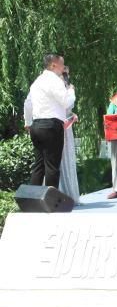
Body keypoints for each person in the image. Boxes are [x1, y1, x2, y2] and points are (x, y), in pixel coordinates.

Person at [23, 53, 75, 189]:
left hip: (36, 126)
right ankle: (51, 199)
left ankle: (33, 198)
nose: (63, 68)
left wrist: (27, 122)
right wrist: (71, 91)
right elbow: (66, 102)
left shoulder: (37, 82)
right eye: (62, 65)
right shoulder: (55, 80)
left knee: (39, 165)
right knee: (52, 166)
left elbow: (27, 103)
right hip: (51, 126)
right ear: (53, 65)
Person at [57, 66, 80, 204]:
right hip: (59, 125)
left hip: (67, 127)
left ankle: (69, 193)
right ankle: (59, 193)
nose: (65, 76)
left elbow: (68, 108)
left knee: (67, 159)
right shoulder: (59, 88)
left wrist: (73, 115)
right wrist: (71, 91)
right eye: (63, 73)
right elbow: (64, 104)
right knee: (58, 159)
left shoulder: (69, 87)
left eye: (67, 73)